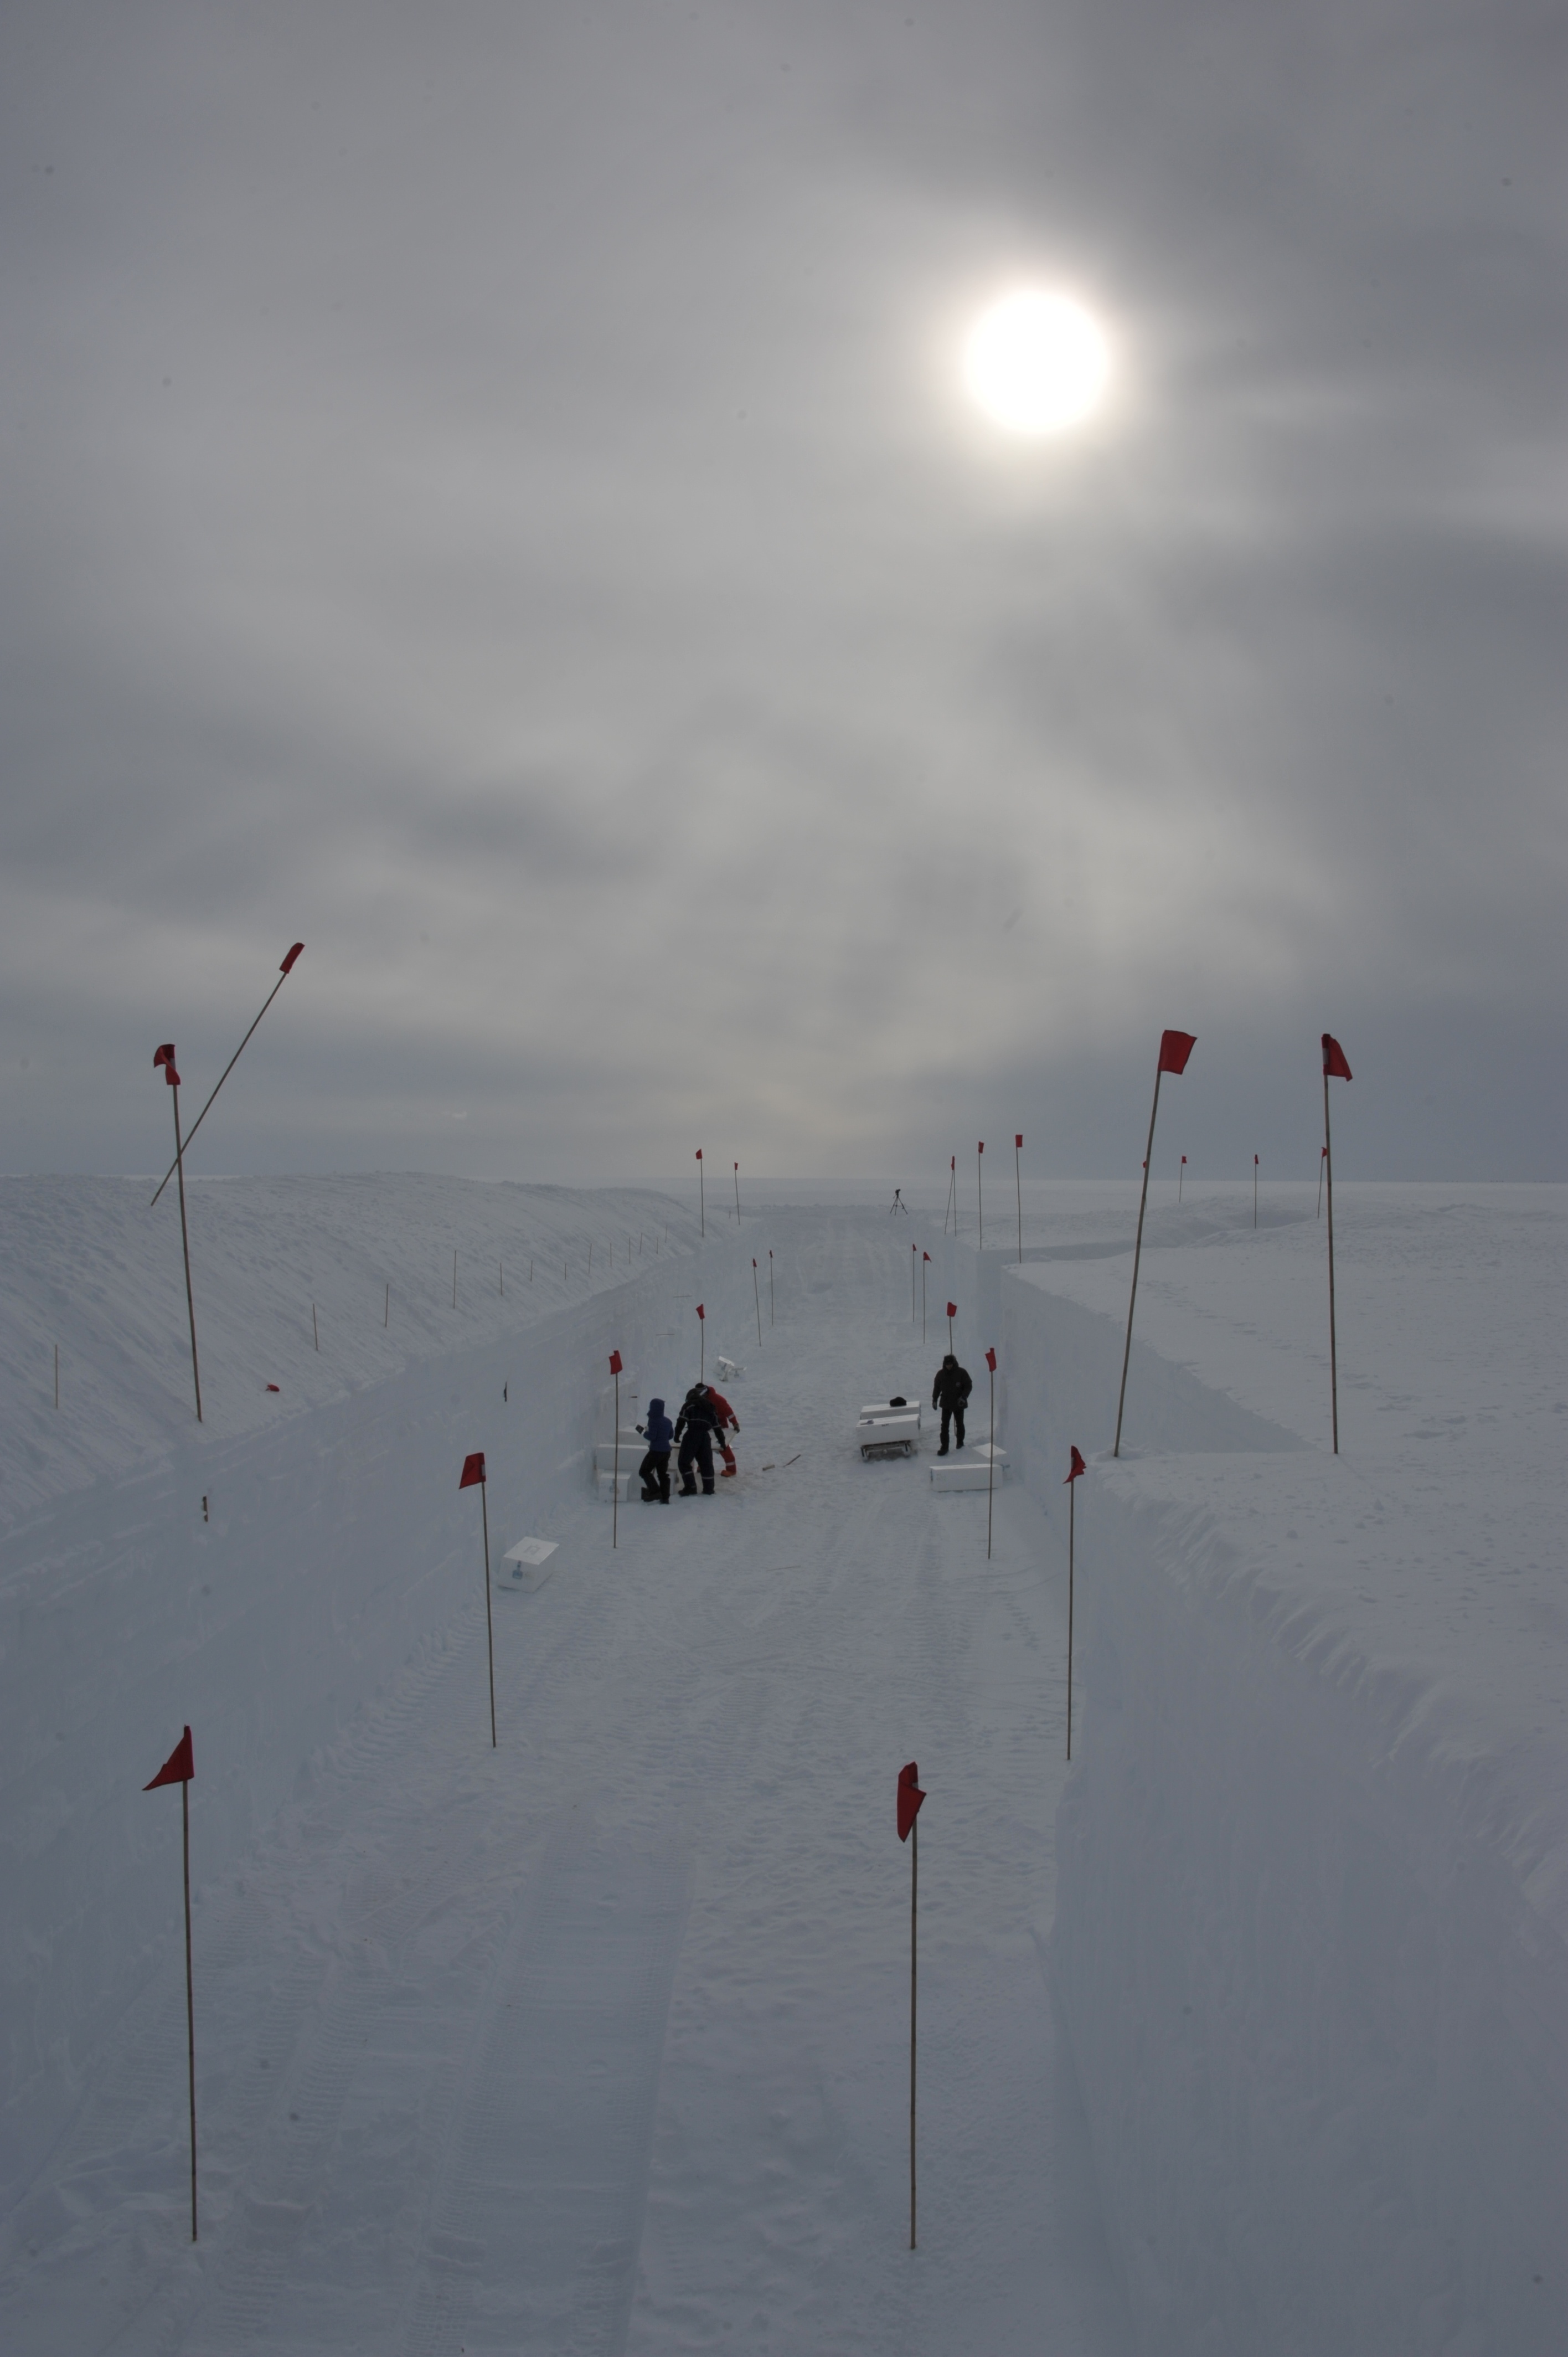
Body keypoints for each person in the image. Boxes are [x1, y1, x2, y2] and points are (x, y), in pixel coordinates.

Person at [673, 1383, 722, 1495]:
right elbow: (717, 1427)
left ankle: (691, 1488)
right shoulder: (709, 1407)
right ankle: (709, 1489)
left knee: (684, 1462)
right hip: (705, 1437)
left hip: (692, 1435)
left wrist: (677, 1436)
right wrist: (722, 1441)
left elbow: (681, 1421)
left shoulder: (689, 1405)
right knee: (707, 1464)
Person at [932, 1354, 972, 1455]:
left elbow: (968, 1385)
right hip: (946, 1404)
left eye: (950, 1364)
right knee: (944, 1426)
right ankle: (944, 1447)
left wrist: (964, 1397)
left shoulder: (962, 1372)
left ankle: (960, 1444)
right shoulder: (940, 1374)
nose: (949, 1366)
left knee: (960, 1424)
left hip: (959, 1403)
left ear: (954, 1363)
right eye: (947, 1364)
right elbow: (937, 1388)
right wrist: (935, 1400)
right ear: (944, 1364)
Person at [636, 1397, 673, 1502]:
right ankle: (665, 1498)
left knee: (644, 1471)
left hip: (656, 1451)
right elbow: (670, 1436)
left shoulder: (653, 1421)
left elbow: (652, 1437)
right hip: (667, 1451)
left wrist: (642, 1431)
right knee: (663, 1474)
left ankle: (655, 1491)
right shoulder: (668, 1421)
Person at [704, 1383, 741, 1477]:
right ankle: (705, 1466)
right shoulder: (699, 1400)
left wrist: (735, 1423)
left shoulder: (718, 1400)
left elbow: (729, 1412)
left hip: (720, 1428)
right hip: (706, 1428)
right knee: (704, 1448)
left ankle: (731, 1470)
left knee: (723, 1448)